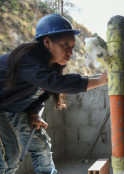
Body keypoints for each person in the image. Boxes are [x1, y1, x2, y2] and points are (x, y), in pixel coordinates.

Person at [0, 13, 108, 174]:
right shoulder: (29, 58)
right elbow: (55, 83)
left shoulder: (51, 65)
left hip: (14, 108)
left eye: (72, 46)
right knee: (9, 157)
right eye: (65, 45)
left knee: (40, 145)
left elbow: (41, 93)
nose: (70, 52)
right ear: (47, 42)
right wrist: (99, 81)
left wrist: (34, 113)